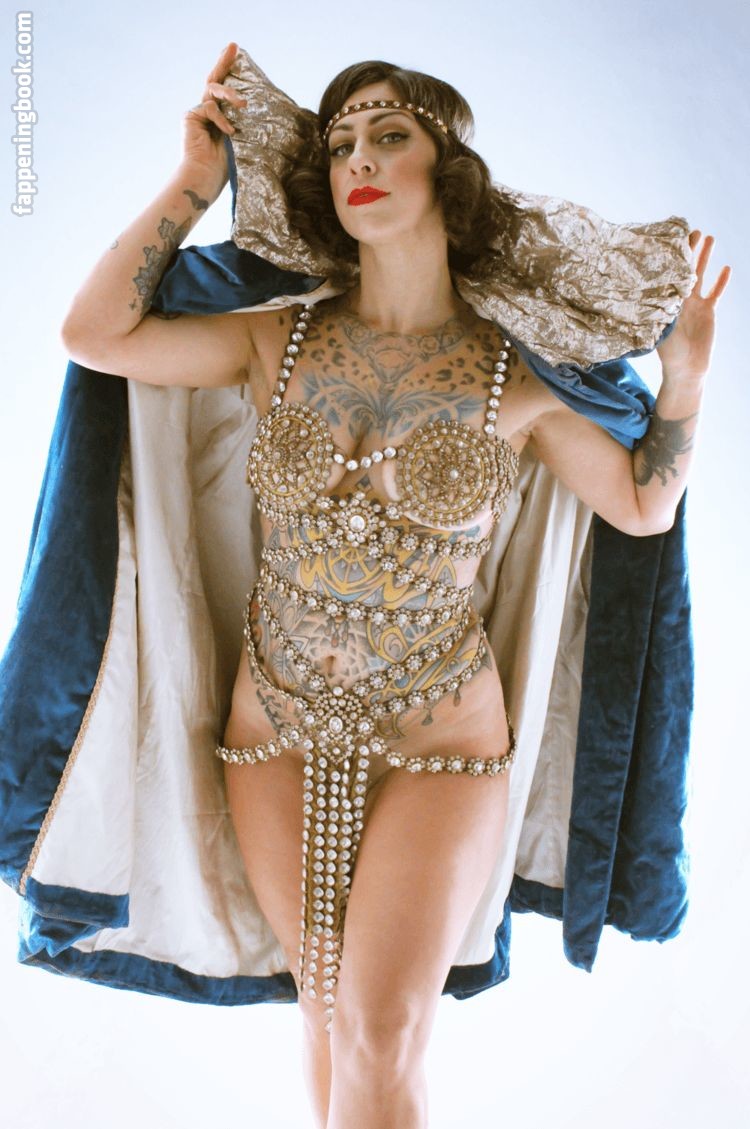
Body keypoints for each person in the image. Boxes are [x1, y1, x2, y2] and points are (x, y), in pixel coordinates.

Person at [57, 41, 730, 1129]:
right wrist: (194, 181)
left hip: (439, 739)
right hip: (273, 728)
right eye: (338, 145)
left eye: (388, 135)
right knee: (329, 1017)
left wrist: (687, 379)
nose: (358, 159)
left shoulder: (517, 374)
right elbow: (94, 334)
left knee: (379, 1027)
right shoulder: (274, 339)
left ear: (446, 169)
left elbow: (643, 504)